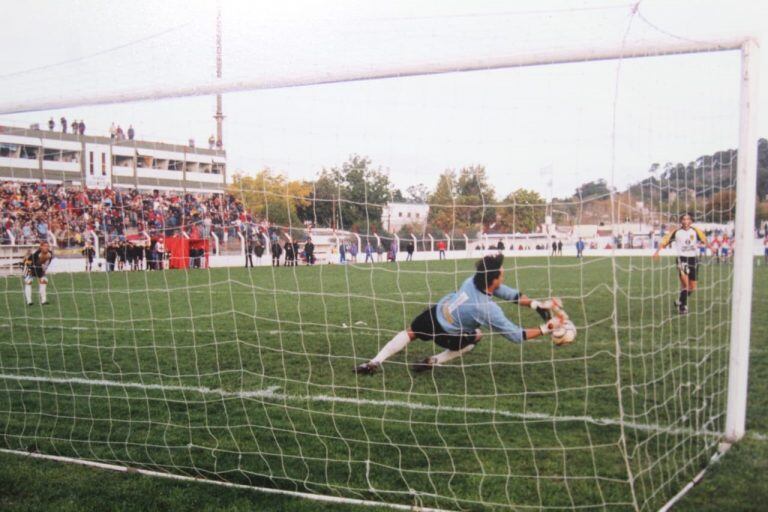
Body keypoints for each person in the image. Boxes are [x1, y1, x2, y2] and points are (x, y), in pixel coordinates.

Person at [354, 253, 565, 375]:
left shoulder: (473, 280)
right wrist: (547, 328)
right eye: (501, 272)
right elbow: (516, 336)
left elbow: (510, 294)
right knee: (478, 335)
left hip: (435, 314)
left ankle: (374, 362)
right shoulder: (487, 309)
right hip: (449, 335)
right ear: (493, 279)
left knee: (410, 332)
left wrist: (538, 304)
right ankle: (434, 361)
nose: (504, 272)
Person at [652, 213, 715, 315]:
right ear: (681, 221)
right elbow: (664, 241)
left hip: (693, 259)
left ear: (691, 221)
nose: (686, 221)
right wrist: (657, 252)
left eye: (688, 219)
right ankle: (683, 307)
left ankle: (680, 301)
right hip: (682, 259)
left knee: (692, 287)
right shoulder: (676, 232)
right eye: (684, 219)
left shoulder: (695, 231)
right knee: (685, 284)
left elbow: (704, 239)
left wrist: (711, 248)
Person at [22, 241, 54, 306]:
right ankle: (29, 301)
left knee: (44, 280)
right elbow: (28, 262)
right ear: (41, 247)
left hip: (39, 267)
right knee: (29, 281)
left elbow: (46, 264)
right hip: (29, 266)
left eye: (47, 246)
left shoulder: (50, 254)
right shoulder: (36, 254)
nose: (46, 247)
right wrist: (30, 270)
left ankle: (43, 301)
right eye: (45, 246)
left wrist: (44, 269)